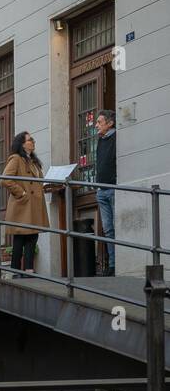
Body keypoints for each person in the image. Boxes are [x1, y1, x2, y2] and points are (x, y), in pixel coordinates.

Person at [2, 132, 51, 272]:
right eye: (30, 140)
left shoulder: (33, 161)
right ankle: (15, 270)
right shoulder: (16, 159)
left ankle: (29, 269)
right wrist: (21, 193)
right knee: (20, 238)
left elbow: (37, 182)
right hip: (22, 205)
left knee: (32, 236)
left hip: (34, 204)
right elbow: (5, 179)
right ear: (22, 144)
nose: (33, 142)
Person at [94, 109, 116, 272]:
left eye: (99, 122)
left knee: (116, 227)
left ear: (110, 123)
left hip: (114, 188)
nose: (96, 125)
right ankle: (112, 265)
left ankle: (116, 264)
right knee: (108, 229)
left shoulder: (116, 138)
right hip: (101, 190)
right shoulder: (101, 141)